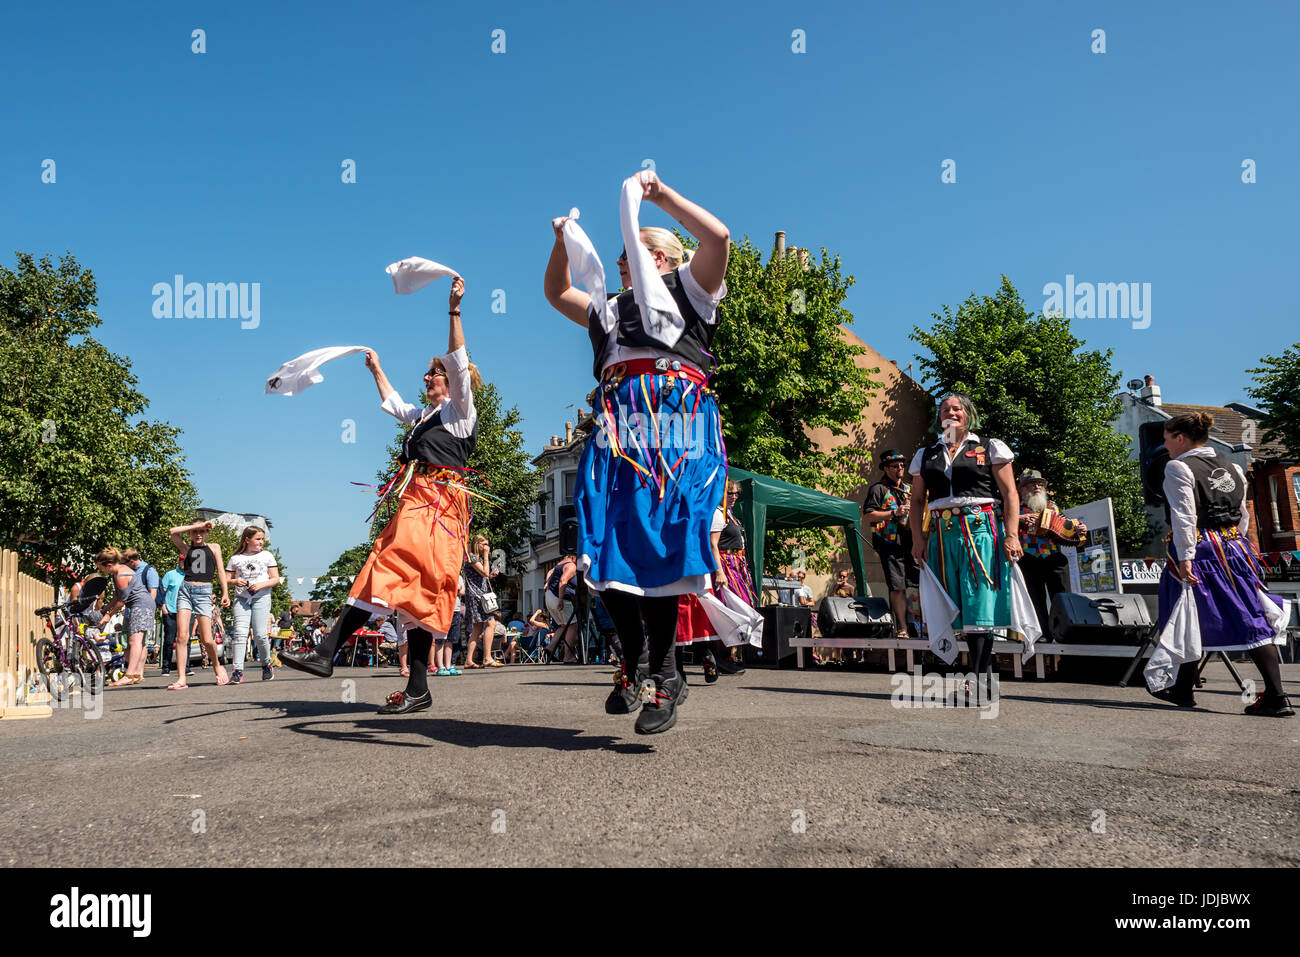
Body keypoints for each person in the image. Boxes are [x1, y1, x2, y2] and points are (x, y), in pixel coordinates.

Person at [545, 171, 729, 734]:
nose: (623, 262)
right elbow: (556, 292)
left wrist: (664, 197)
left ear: (663, 258)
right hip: (619, 433)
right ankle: (632, 661)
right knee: (606, 555)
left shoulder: (689, 291)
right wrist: (560, 243)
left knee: (661, 548)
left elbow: (718, 239)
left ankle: (666, 673)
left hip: (674, 431)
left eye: (633, 252)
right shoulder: (609, 309)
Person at [280, 277, 482, 715]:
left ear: (450, 382)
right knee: (411, 587)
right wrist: (375, 368)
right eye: (428, 372)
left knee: (393, 569)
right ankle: (413, 687)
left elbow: (460, 361)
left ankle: (328, 652)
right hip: (420, 499)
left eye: (435, 372)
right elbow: (393, 403)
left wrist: (454, 311)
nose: (428, 376)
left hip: (441, 503)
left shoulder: (459, 412)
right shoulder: (424, 415)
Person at [1147, 411, 1293, 716]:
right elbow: (1244, 516)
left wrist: (1186, 557)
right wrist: (1236, 546)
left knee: (1192, 612)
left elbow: (1184, 516)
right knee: (1225, 612)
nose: (1165, 445)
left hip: (1203, 549)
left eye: (1167, 439)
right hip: (1235, 547)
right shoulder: (1232, 467)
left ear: (1181, 438)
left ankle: (1276, 696)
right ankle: (1185, 689)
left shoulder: (1178, 467)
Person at [908, 393, 1023, 706]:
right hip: (942, 535)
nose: (951, 412)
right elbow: (917, 501)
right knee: (951, 605)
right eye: (945, 408)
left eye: (957, 408)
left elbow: (1010, 493)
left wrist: (1011, 535)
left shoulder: (988, 447)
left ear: (967, 414)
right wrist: (918, 539)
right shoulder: (926, 454)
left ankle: (980, 681)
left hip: (980, 529)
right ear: (939, 416)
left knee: (978, 604)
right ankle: (973, 678)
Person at [1016, 469, 1087, 639]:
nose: (1037, 487)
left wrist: (1079, 529)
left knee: (1062, 597)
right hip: (1028, 559)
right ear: (1022, 489)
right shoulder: (1015, 509)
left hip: (1053, 557)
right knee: (1035, 601)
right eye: (1032, 484)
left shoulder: (1052, 507)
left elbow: (1067, 528)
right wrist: (1020, 519)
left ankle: (1067, 633)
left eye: (1040, 484)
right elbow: (1001, 522)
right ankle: (1042, 636)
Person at [862, 449, 920, 639]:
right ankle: (902, 628)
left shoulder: (911, 488)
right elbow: (869, 516)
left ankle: (927, 625)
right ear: (886, 468)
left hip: (914, 543)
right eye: (895, 466)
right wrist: (894, 513)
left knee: (924, 584)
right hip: (890, 544)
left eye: (903, 465)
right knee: (897, 586)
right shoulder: (878, 489)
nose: (900, 468)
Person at [168, 520, 231, 688]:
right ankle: (181, 679)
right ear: (189, 533)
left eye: (202, 531)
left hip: (204, 593)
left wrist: (225, 592)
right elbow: (173, 531)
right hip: (186, 591)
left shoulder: (214, 547)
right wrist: (196, 525)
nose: (198, 534)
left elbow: (220, 571)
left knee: (207, 639)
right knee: (182, 636)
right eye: (195, 531)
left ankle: (217, 666)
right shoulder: (186, 549)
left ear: (207, 533)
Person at [225, 525, 280, 683]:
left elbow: (275, 578)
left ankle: (266, 664)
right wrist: (236, 581)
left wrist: (261, 585)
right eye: (258, 539)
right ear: (247, 540)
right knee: (240, 633)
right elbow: (227, 580)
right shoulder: (236, 558)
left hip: (261, 597)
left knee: (260, 635)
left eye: (262, 539)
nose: (261, 542)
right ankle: (237, 671)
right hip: (241, 598)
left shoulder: (267, 556)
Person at [93, 548, 152, 687]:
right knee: (139, 641)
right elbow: (117, 596)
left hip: (140, 605)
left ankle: (129, 675)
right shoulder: (119, 570)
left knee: (134, 641)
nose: (101, 571)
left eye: (100, 568)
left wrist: (109, 615)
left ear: (108, 565)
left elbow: (122, 600)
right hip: (143, 604)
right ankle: (136, 674)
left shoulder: (120, 575)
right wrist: (105, 609)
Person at [463, 534, 501, 669]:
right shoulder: (472, 557)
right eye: (484, 544)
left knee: (477, 628)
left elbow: (484, 575)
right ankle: (487, 657)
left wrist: (491, 575)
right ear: (476, 544)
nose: (486, 547)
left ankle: (469, 660)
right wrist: (486, 557)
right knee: (491, 623)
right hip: (477, 596)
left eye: (487, 544)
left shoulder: (474, 558)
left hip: (479, 595)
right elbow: (484, 572)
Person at [543, 554, 579, 664]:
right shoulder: (571, 565)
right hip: (559, 597)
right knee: (573, 625)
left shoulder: (559, 564)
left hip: (549, 596)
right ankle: (568, 657)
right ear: (574, 557)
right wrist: (561, 599)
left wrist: (547, 582)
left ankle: (550, 648)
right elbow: (563, 580)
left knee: (563, 625)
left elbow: (550, 572)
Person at [158, 556, 186, 677]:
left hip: (185, 612)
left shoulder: (191, 576)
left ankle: (186, 668)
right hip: (170, 612)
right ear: (178, 562)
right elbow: (161, 592)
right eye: (181, 560)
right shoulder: (170, 574)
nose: (183, 563)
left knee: (186, 641)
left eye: (185, 561)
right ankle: (166, 667)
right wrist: (163, 608)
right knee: (169, 640)